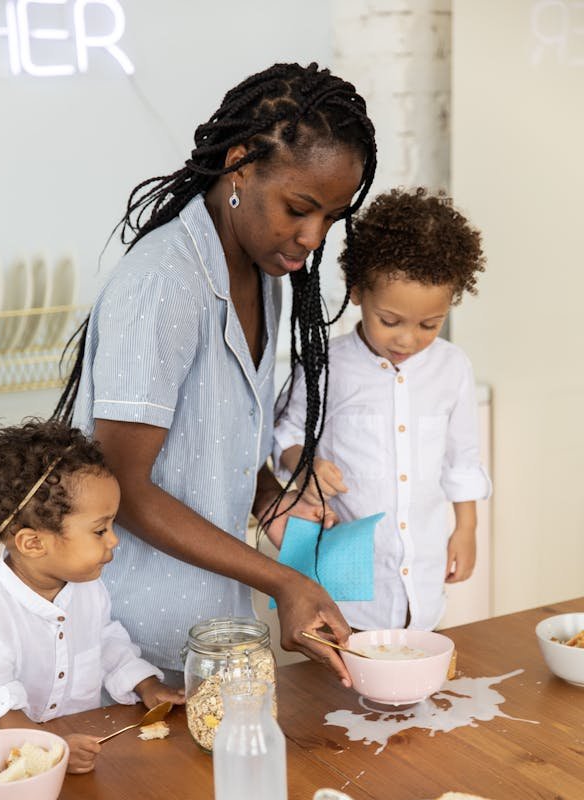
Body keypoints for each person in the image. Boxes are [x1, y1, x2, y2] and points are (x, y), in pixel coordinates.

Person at [53, 62, 378, 684]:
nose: (313, 237)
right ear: (239, 166)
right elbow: (121, 486)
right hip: (128, 651)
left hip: (212, 634)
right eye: (299, 208)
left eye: (332, 218)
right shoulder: (163, 286)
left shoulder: (262, 270)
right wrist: (283, 581)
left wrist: (271, 499)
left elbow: (216, 447)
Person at [274, 187, 492, 631]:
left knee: (415, 658)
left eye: (430, 324)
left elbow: (462, 460)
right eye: (390, 321)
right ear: (357, 291)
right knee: (345, 667)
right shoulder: (326, 363)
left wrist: (466, 528)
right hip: (347, 582)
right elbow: (284, 434)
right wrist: (303, 462)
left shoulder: (452, 367)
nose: (408, 339)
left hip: (422, 576)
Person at [0, 420, 184, 774]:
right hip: (15, 769)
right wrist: (51, 750)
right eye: (100, 530)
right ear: (33, 543)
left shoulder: (88, 589)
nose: (114, 540)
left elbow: (105, 641)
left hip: (77, 749)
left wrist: (146, 685)